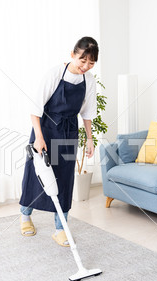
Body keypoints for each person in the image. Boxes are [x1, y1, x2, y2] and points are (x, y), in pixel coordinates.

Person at [18, 37, 99, 247]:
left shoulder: (89, 80)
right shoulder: (55, 73)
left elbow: (88, 112)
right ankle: (25, 216)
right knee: (37, 175)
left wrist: (89, 139)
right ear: (72, 54)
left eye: (91, 63)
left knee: (64, 179)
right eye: (83, 61)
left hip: (69, 132)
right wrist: (39, 137)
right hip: (45, 129)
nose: (85, 67)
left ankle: (60, 229)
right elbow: (35, 109)